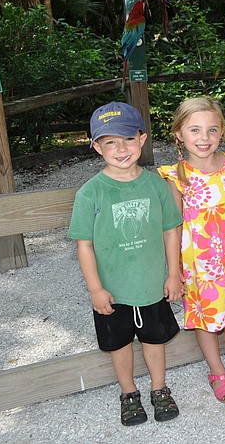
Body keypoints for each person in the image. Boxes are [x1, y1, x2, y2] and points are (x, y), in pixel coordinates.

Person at [68, 101, 183, 426]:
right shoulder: (91, 193)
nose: (121, 149)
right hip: (113, 291)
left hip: (151, 285)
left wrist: (174, 274)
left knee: (154, 340)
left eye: (129, 139)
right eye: (110, 142)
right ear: (96, 147)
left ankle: (159, 388)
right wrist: (95, 289)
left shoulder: (156, 185)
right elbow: (84, 245)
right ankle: (128, 392)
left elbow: (170, 230)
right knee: (119, 344)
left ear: (142, 139)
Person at [157, 97, 225, 409]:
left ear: (222, 132)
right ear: (179, 134)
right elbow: (172, 227)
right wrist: (174, 272)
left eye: (212, 129)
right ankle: (218, 373)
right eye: (194, 130)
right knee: (206, 320)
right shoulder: (176, 176)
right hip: (200, 265)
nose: (204, 137)